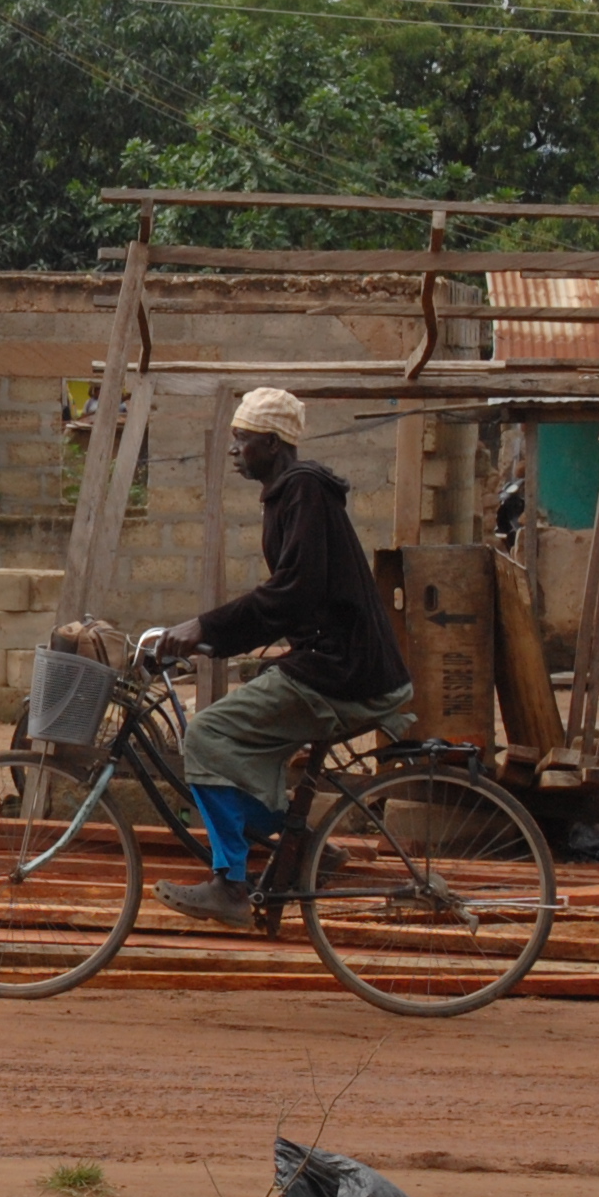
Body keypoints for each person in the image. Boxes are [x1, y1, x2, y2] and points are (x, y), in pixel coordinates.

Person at [151, 388, 412, 926]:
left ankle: (230, 885)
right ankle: (308, 847)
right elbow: (289, 600)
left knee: (206, 735)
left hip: (342, 671)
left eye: (242, 439)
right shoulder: (293, 494)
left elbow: (294, 591)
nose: (234, 450)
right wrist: (210, 639)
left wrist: (206, 626)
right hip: (337, 662)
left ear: (271, 444)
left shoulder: (303, 493)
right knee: (236, 742)